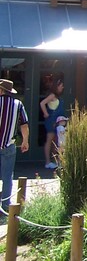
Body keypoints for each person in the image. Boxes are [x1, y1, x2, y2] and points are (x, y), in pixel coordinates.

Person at [0, 79, 29, 212]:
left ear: (1, 90)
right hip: (9, 145)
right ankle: (6, 205)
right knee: (7, 176)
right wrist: (25, 141)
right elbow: (24, 125)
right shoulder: (18, 104)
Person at [40, 78, 65, 169]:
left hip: (58, 122)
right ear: (57, 86)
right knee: (49, 140)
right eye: (61, 85)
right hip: (51, 121)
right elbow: (42, 103)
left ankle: (55, 161)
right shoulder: (52, 95)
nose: (62, 87)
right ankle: (47, 162)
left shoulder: (58, 97)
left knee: (56, 141)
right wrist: (45, 113)